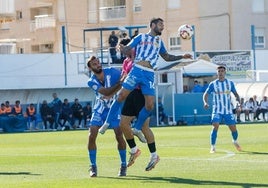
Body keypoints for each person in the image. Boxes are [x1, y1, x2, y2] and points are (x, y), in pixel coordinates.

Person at [100, 17, 192, 138]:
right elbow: (128, 48)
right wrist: (122, 49)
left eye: (163, 25)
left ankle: (137, 129)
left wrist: (182, 56)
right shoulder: (141, 37)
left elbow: (166, 57)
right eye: (160, 24)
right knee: (121, 96)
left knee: (150, 105)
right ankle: (106, 123)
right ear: (153, 25)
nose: (162, 27)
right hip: (137, 70)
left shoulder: (159, 41)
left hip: (149, 74)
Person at [86, 56, 127, 177]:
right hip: (100, 109)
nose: (98, 65)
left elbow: (125, 76)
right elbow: (106, 92)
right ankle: (93, 166)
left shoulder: (112, 71)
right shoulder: (91, 81)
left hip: (114, 108)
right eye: (94, 64)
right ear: (90, 67)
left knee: (119, 135)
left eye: (98, 62)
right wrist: (119, 84)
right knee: (92, 134)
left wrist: (122, 81)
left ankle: (123, 164)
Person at [120, 53, 160, 171]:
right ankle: (134, 150)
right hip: (130, 93)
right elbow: (124, 76)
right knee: (123, 124)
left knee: (144, 127)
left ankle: (154, 156)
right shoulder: (126, 61)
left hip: (142, 93)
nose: (123, 50)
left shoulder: (142, 59)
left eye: (125, 47)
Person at [203, 65, 242, 153]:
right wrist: (205, 102)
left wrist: (238, 104)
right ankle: (212, 147)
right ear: (217, 73)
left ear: (225, 72)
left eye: (222, 71)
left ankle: (235, 141)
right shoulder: (213, 84)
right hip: (217, 110)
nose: (220, 73)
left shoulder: (230, 83)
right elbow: (206, 94)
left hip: (228, 110)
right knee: (215, 125)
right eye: (219, 71)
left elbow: (236, 94)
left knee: (233, 128)